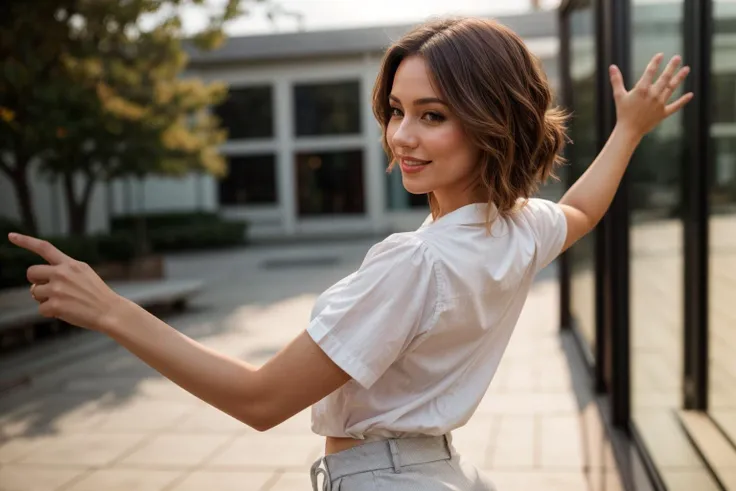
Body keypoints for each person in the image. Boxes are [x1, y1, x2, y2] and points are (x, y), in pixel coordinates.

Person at [7, 16, 692, 491]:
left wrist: (111, 310)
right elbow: (582, 208)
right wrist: (629, 129)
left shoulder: (416, 263)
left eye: (433, 114)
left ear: (493, 122)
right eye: (396, 109)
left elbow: (260, 398)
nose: (402, 135)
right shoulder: (514, 230)